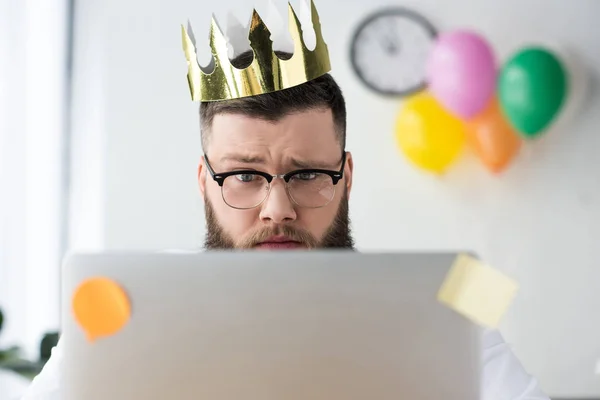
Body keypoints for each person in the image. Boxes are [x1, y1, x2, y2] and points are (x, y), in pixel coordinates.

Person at [20, 5, 549, 399]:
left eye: (307, 174)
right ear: (204, 182)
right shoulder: (117, 307)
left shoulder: (459, 299)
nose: (278, 208)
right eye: (246, 175)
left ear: (346, 178)